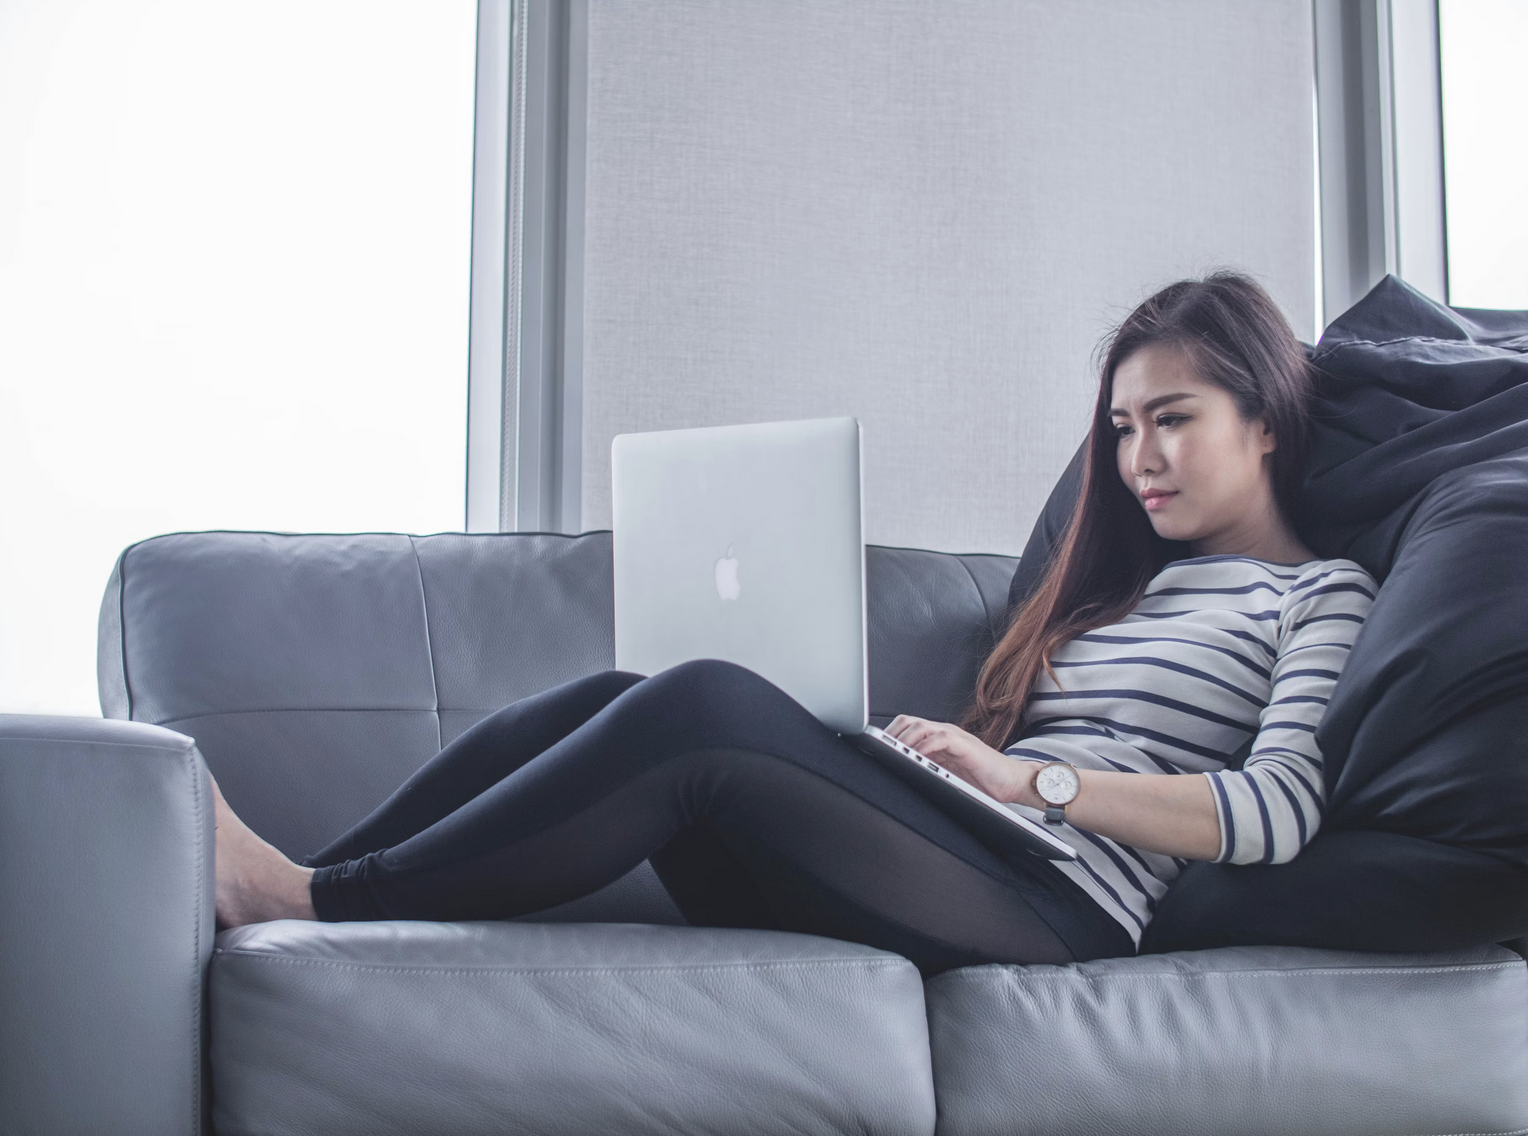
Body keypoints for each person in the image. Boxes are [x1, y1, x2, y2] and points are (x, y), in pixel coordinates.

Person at [213, 271, 1376, 973]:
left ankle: (309, 899)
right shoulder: (1121, 587)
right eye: (1119, 428)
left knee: (705, 704)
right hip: (962, 853)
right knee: (632, 694)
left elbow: (1275, 812)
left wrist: (1032, 785)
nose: (1136, 459)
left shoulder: (1318, 593)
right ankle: (316, 881)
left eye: (1168, 418)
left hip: (1063, 906)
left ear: (1265, 419)